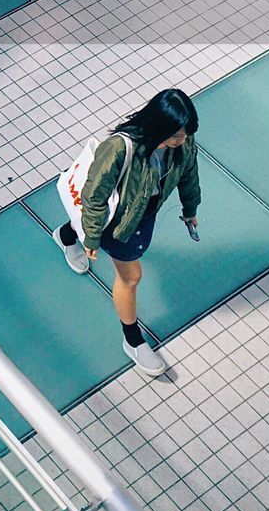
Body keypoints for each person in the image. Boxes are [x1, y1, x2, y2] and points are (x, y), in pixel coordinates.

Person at [55, 90, 201, 376]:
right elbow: (95, 195)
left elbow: (188, 174)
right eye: (175, 136)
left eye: (184, 135)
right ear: (158, 126)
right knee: (131, 277)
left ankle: (65, 235)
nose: (181, 141)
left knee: (124, 256)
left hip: (142, 214)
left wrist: (190, 207)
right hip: (119, 225)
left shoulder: (183, 143)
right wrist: (92, 236)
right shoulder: (120, 148)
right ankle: (132, 340)